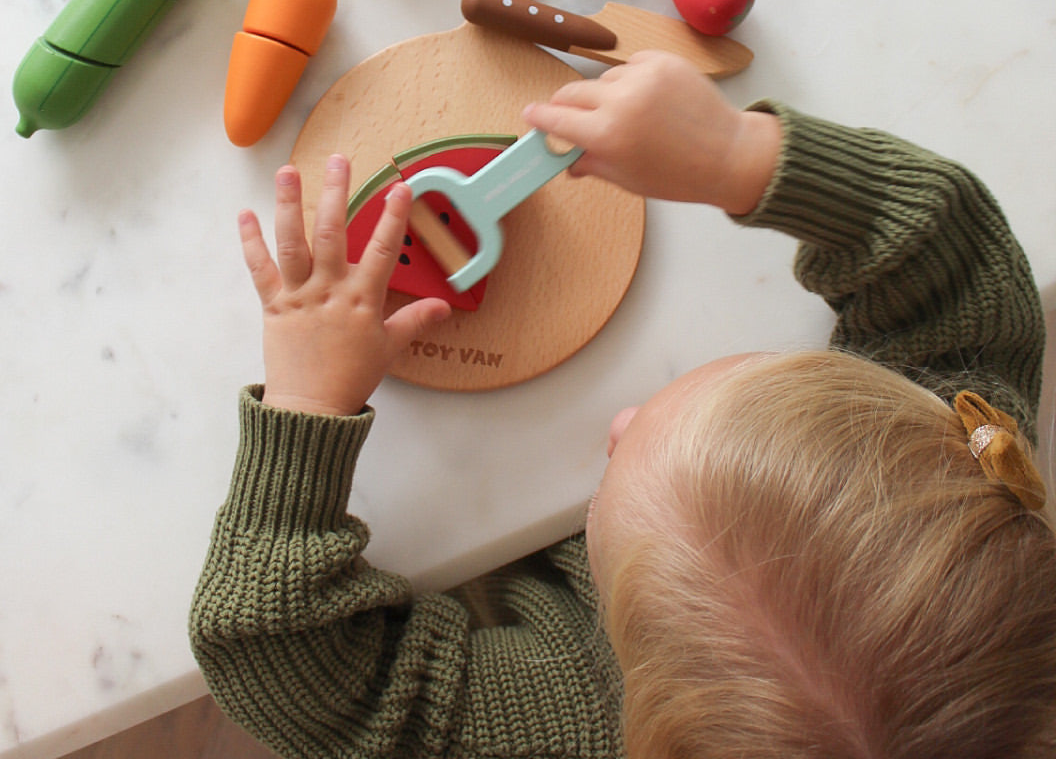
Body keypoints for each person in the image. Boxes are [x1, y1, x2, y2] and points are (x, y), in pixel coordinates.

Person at [190, 50, 1056, 758]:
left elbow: (279, 656)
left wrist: (305, 405)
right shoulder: (962, 469)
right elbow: (950, 253)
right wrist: (736, 156)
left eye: (614, 473)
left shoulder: (568, 724)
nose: (621, 420)